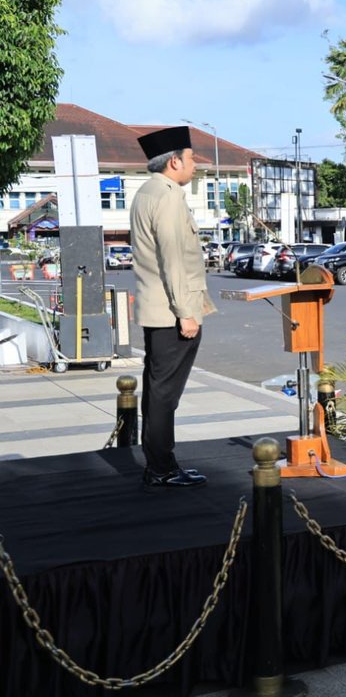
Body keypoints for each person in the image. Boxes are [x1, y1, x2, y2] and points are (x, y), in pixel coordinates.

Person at [131, 127, 212, 488]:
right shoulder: (168, 197)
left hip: (159, 311)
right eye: (192, 158)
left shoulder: (147, 192)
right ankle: (162, 468)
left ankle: (160, 464)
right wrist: (186, 312)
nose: (195, 165)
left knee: (157, 391)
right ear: (174, 161)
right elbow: (173, 260)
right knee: (165, 395)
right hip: (172, 314)